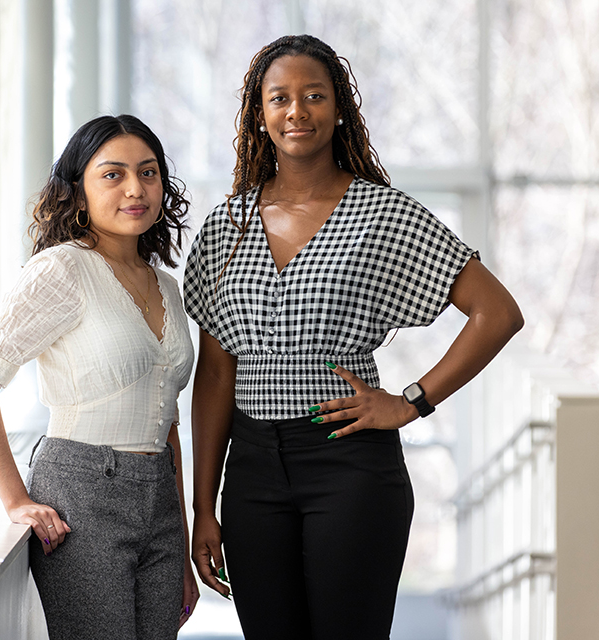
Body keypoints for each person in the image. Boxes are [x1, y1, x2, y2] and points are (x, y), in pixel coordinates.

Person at [183, 35, 524, 640]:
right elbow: (215, 374)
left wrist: (411, 401)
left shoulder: (383, 213)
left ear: (339, 109)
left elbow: (496, 313)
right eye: (279, 99)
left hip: (347, 463)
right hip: (253, 472)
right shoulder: (224, 227)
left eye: (314, 96)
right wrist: (202, 505)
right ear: (259, 117)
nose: (297, 112)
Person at [0, 114, 199, 640]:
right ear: (78, 193)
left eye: (149, 172)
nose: (136, 188)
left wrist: (179, 545)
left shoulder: (166, 286)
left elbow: (168, 422)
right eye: (113, 175)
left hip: (158, 497)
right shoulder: (60, 270)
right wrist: (16, 499)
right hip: (82, 493)